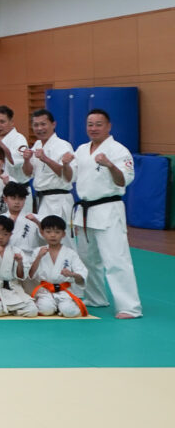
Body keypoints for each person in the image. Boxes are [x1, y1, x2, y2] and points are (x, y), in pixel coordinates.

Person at [71, 109, 141, 319]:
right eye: (90, 124)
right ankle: (95, 297)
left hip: (109, 209)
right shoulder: (81, 149)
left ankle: (130, 307)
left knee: (116, 259)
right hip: (85, 211)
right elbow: (72, 177)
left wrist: (110, 165)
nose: (93, 128)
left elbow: (123, 181)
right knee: (87, 259)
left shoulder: (119, 150)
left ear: (108, 126)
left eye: (98, 124)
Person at [20, 109, 75, 224]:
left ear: (53, 124)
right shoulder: (37, 144)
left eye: (43, 124)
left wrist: (46, 159)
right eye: (36, 125)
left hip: (58, 200)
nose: (39, 128)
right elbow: (28, 173)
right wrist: (26, 160)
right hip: (41, 199)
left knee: (60, 234)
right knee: (43, 233)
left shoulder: (63, 145)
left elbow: (67, 176)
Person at [28, 216, 88, 318]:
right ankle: (56, 308)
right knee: (45, 310)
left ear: (63, 234)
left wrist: (72, 274)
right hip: (45, 291)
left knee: (70, 312)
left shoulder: (70, 253)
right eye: (48, 232)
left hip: (64, 291)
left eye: (57, 232)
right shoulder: (38, 251)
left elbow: (81, 275)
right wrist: (38, 257)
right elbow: (30, 275)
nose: (53, 235)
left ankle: (62, 308)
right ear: (42, 233)